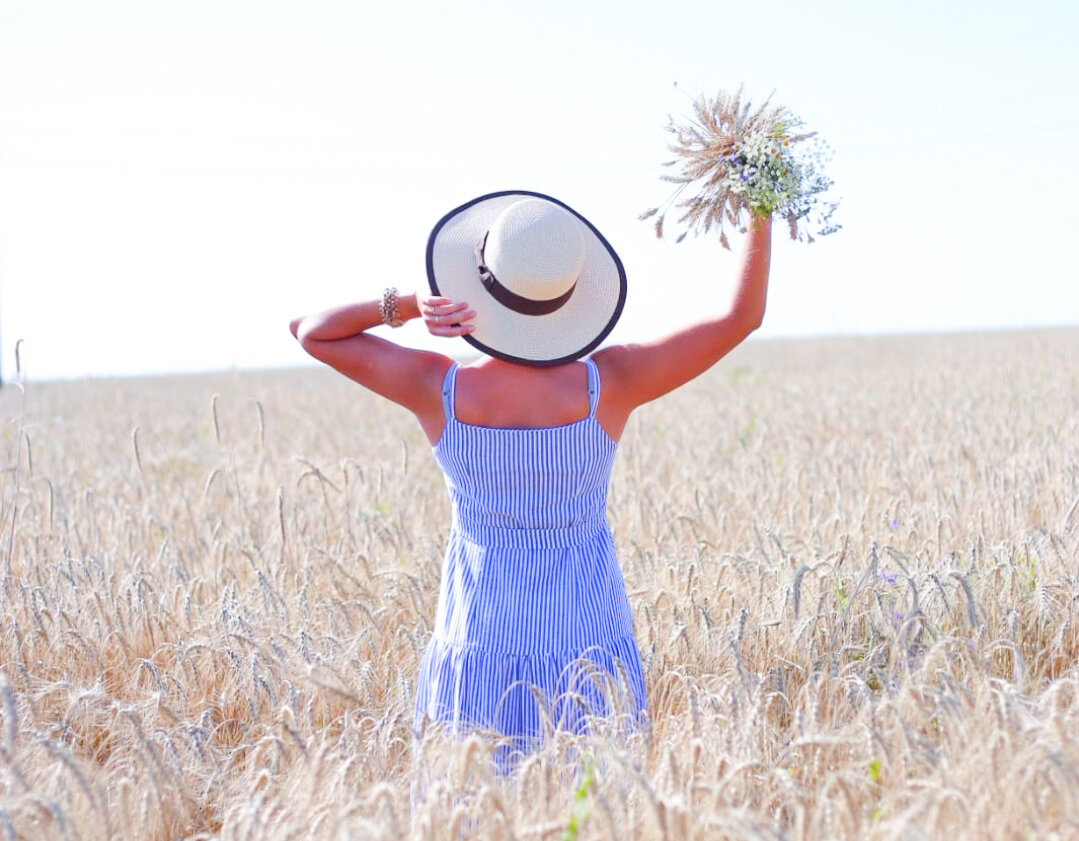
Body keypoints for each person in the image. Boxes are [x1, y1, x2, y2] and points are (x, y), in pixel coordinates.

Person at [290, 191, 771, 763]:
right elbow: (742, 317)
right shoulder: (612, 383)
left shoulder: (437, 388)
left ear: (475, 282)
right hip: (588, 635)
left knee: (469, 804)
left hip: (478, 638)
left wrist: (415, 305)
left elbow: (311, 331)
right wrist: (760, 204)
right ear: (568, 298)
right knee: (591, 805)